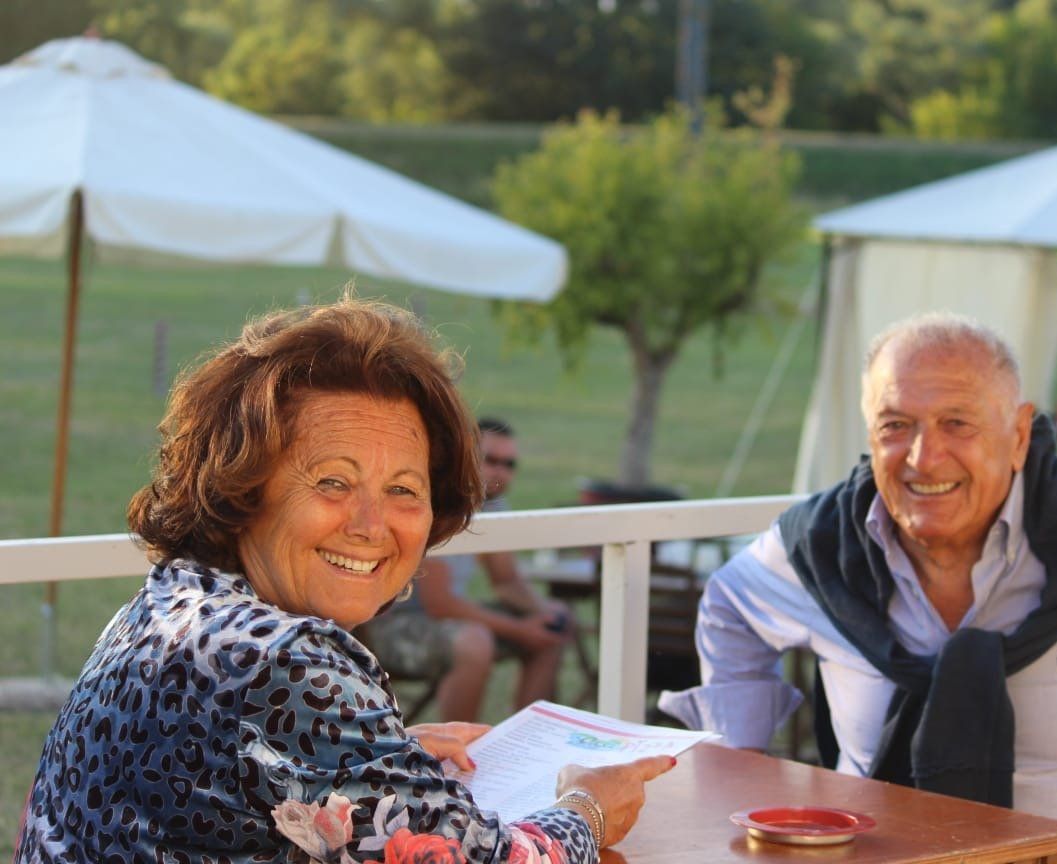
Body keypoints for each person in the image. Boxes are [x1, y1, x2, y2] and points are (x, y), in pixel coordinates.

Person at [16, 298, 672, 863]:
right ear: (244, 488)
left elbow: (205, 774)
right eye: (333, 482)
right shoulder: (288, 663)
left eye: (403, 490)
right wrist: (587, 805)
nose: (370, 525)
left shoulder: (173, 600)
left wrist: (379, 761)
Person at [659, 313, 1057, 863]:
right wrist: (745, 768)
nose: (923, 457)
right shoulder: (824, 548)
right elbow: (730, 605)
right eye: (895, 425)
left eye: (957, 423)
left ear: (1019, 436)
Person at [366, 418, 572, 721]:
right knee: (474, 642)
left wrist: (542, 614)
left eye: (509, 464)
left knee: (555, 624)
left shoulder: (493, 505)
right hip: (391, 629)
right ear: (464, 456)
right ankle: (462, 747)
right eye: (490, 460)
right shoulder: (437, 504)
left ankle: (529, 738)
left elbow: (506, 582)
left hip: (448, 622)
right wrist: (522, 630)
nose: (500, 471)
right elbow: (439, 604)